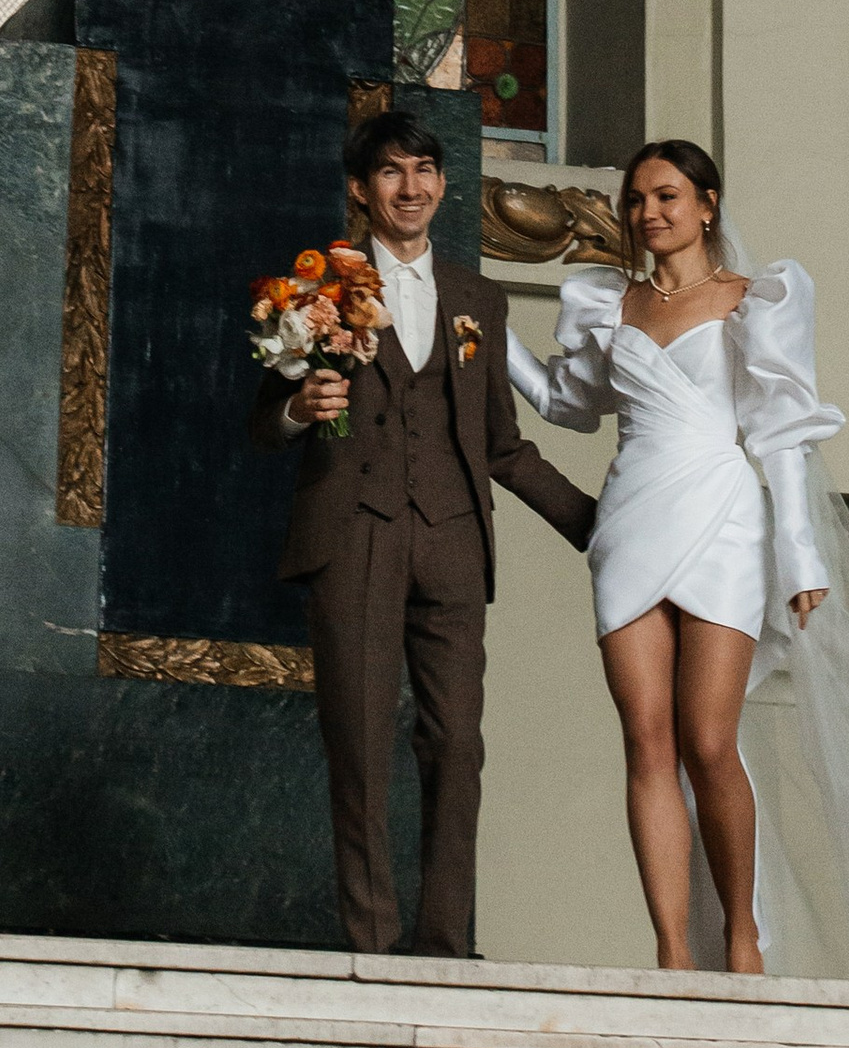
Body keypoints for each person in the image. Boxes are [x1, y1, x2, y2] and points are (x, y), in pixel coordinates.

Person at [507, 139, 849, 982]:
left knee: (709, 741)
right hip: (630, 525)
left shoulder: (756, 300)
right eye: (636, 199)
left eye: (667, 196)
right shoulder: (611, 304)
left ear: (707, 204)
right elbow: (567, 404)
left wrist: (801, 555)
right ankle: (673, 950)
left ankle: (742, 934)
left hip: (723, 524)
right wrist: (488, 340)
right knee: (646, 743)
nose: (649, 213)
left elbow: (781, 438)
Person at [251, 108, 597, 957]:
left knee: (457, 746)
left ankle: (444, 944)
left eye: (425, 170)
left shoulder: (478, 298)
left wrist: (599, 524)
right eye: (392, 171)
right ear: (361, 190)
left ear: (442, 185)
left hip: (451, 541)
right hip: (353, 537)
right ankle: (372, 943)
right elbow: (265, 422)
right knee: (361, 744)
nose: (411, 187)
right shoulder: (313, 294)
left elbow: (502, 445)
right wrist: (299, 408)